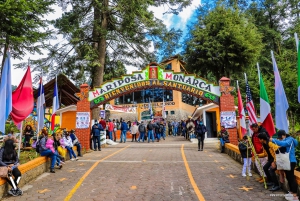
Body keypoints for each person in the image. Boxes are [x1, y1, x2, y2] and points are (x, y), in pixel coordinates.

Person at [270, 130, 299, 200]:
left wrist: (273, 140)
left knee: (291, 177)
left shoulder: (290, 140)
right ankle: (292, 192)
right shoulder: (286, 139)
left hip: (291, 161)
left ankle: (295, 195)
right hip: (286, 161)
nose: (280, 139)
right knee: (288, 177)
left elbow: (284, 144)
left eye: (281, 137)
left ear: (284, 135)